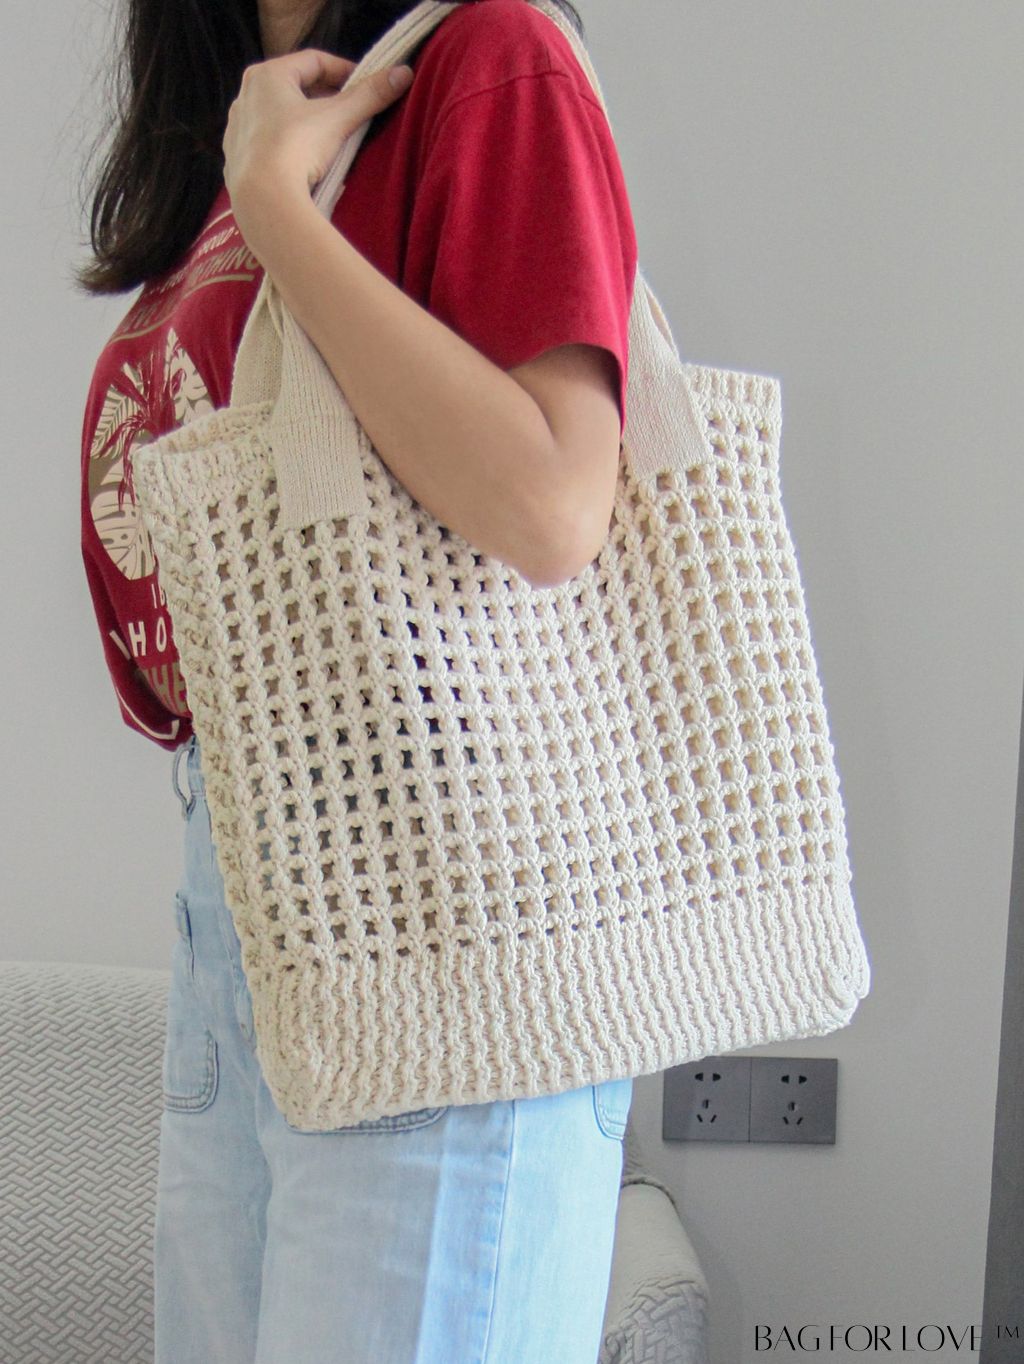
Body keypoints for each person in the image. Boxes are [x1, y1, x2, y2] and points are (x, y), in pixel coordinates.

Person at [75, 1, 639, 1359]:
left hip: (436, 899)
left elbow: (555, 502)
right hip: (239, 899)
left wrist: (279, 208)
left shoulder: (488, 55)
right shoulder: (247, 118)